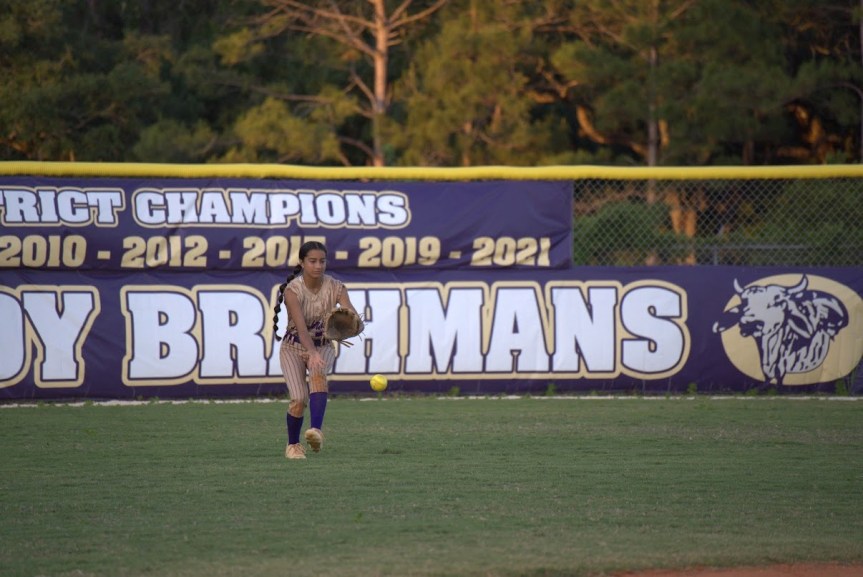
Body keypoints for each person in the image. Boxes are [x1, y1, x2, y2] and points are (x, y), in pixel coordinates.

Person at [272, 240, 359, 460]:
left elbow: (353, 315)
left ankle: (316, 431)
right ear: (302, 263)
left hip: (323, 344)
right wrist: (311, 353)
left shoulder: (336, 286)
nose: (318, 265)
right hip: (293, 346)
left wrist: (353, 322)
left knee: (318, 372)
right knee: (299, 398)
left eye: (322, 261)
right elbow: (301, 329)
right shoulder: (293, 290)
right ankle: (293, 445)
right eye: (312, 261)